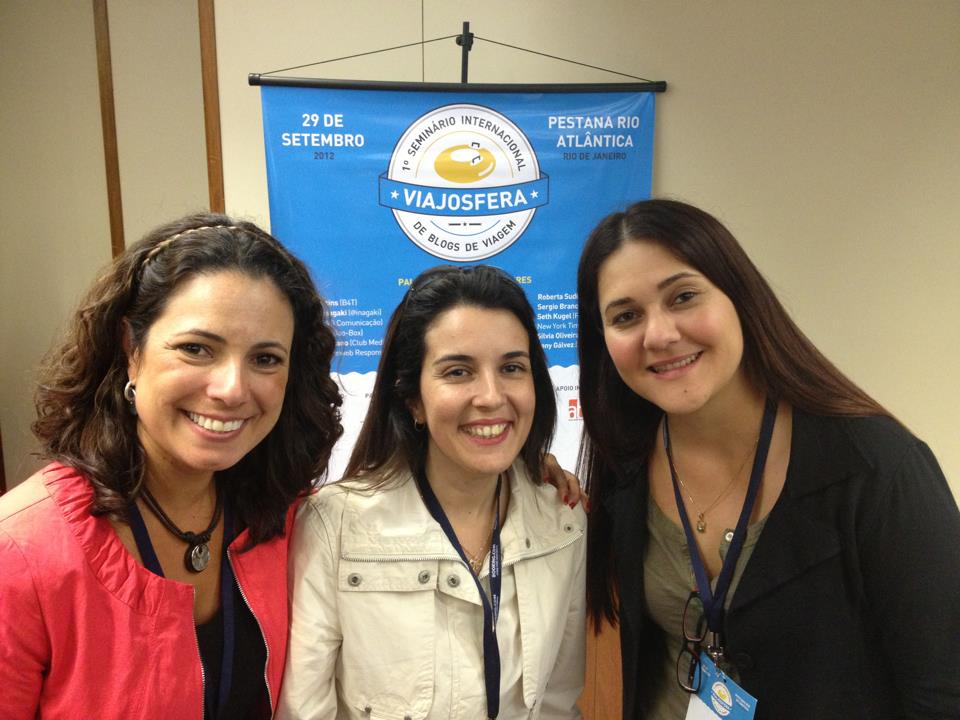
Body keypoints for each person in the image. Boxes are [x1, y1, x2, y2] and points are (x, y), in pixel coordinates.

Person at [576, 199, 960, 720]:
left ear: (740, 297)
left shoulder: (879, 468)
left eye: (683, 296)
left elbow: (942, 691)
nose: (659, 335)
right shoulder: (626, 466)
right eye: (626, 316)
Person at [0, 214, 343, 720]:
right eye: (196, 349)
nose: (232, 389)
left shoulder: (289, 521)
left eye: (266, 359)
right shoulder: (21, 552)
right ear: (131, 352)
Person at [278, 265, 586, 720]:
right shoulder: (333, 526)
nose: (491, 396)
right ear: (413, 399)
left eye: (512, 367)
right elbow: (305, 712)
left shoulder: (563, 520)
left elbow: (558, 704)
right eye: (458, 371)